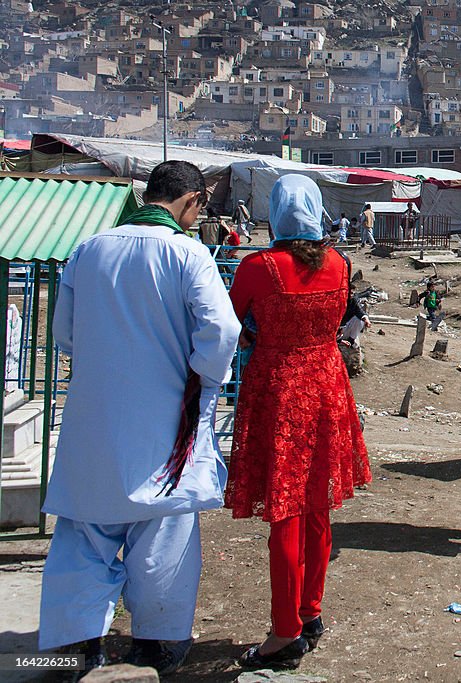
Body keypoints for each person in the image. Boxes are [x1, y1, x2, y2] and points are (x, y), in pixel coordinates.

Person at [38, 161, 241, 676]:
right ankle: (157, 641)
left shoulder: (89, 249)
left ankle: (77, 640)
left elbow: (64, 332)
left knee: (85, 532)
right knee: (164, 532)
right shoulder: (188, 254)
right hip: (166, 420)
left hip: (95, 419)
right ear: (192, 201)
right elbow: (221, 332)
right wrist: (200, 379)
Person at [225, 175, 371, 669]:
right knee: (316, 505)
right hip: (327, 386)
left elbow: (230, 323)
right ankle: (310, 612)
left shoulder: (257, 267)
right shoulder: (338, 263)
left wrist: (250, 336)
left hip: (280, 392)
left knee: (285, 512)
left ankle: (284, 633)